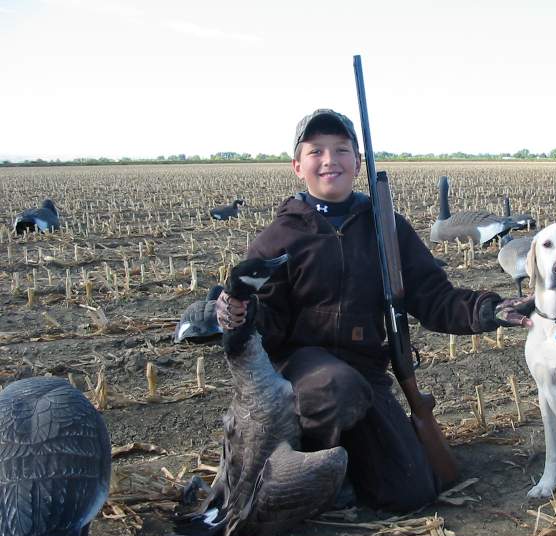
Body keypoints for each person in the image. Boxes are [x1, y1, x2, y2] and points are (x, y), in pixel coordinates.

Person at [216, 108, 532, 513]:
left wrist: (490, 309)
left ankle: (352, 464)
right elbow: (268, 324)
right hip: (301, 372)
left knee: (411, 493)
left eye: (342, 150)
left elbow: (434, 297)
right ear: (298, 166)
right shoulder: (280, 237)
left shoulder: (387, 227)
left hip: (365, 372)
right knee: (336, 388)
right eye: (316, 152)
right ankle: (306, 464)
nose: (330, 160)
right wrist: (240, 317)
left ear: (358, 163)